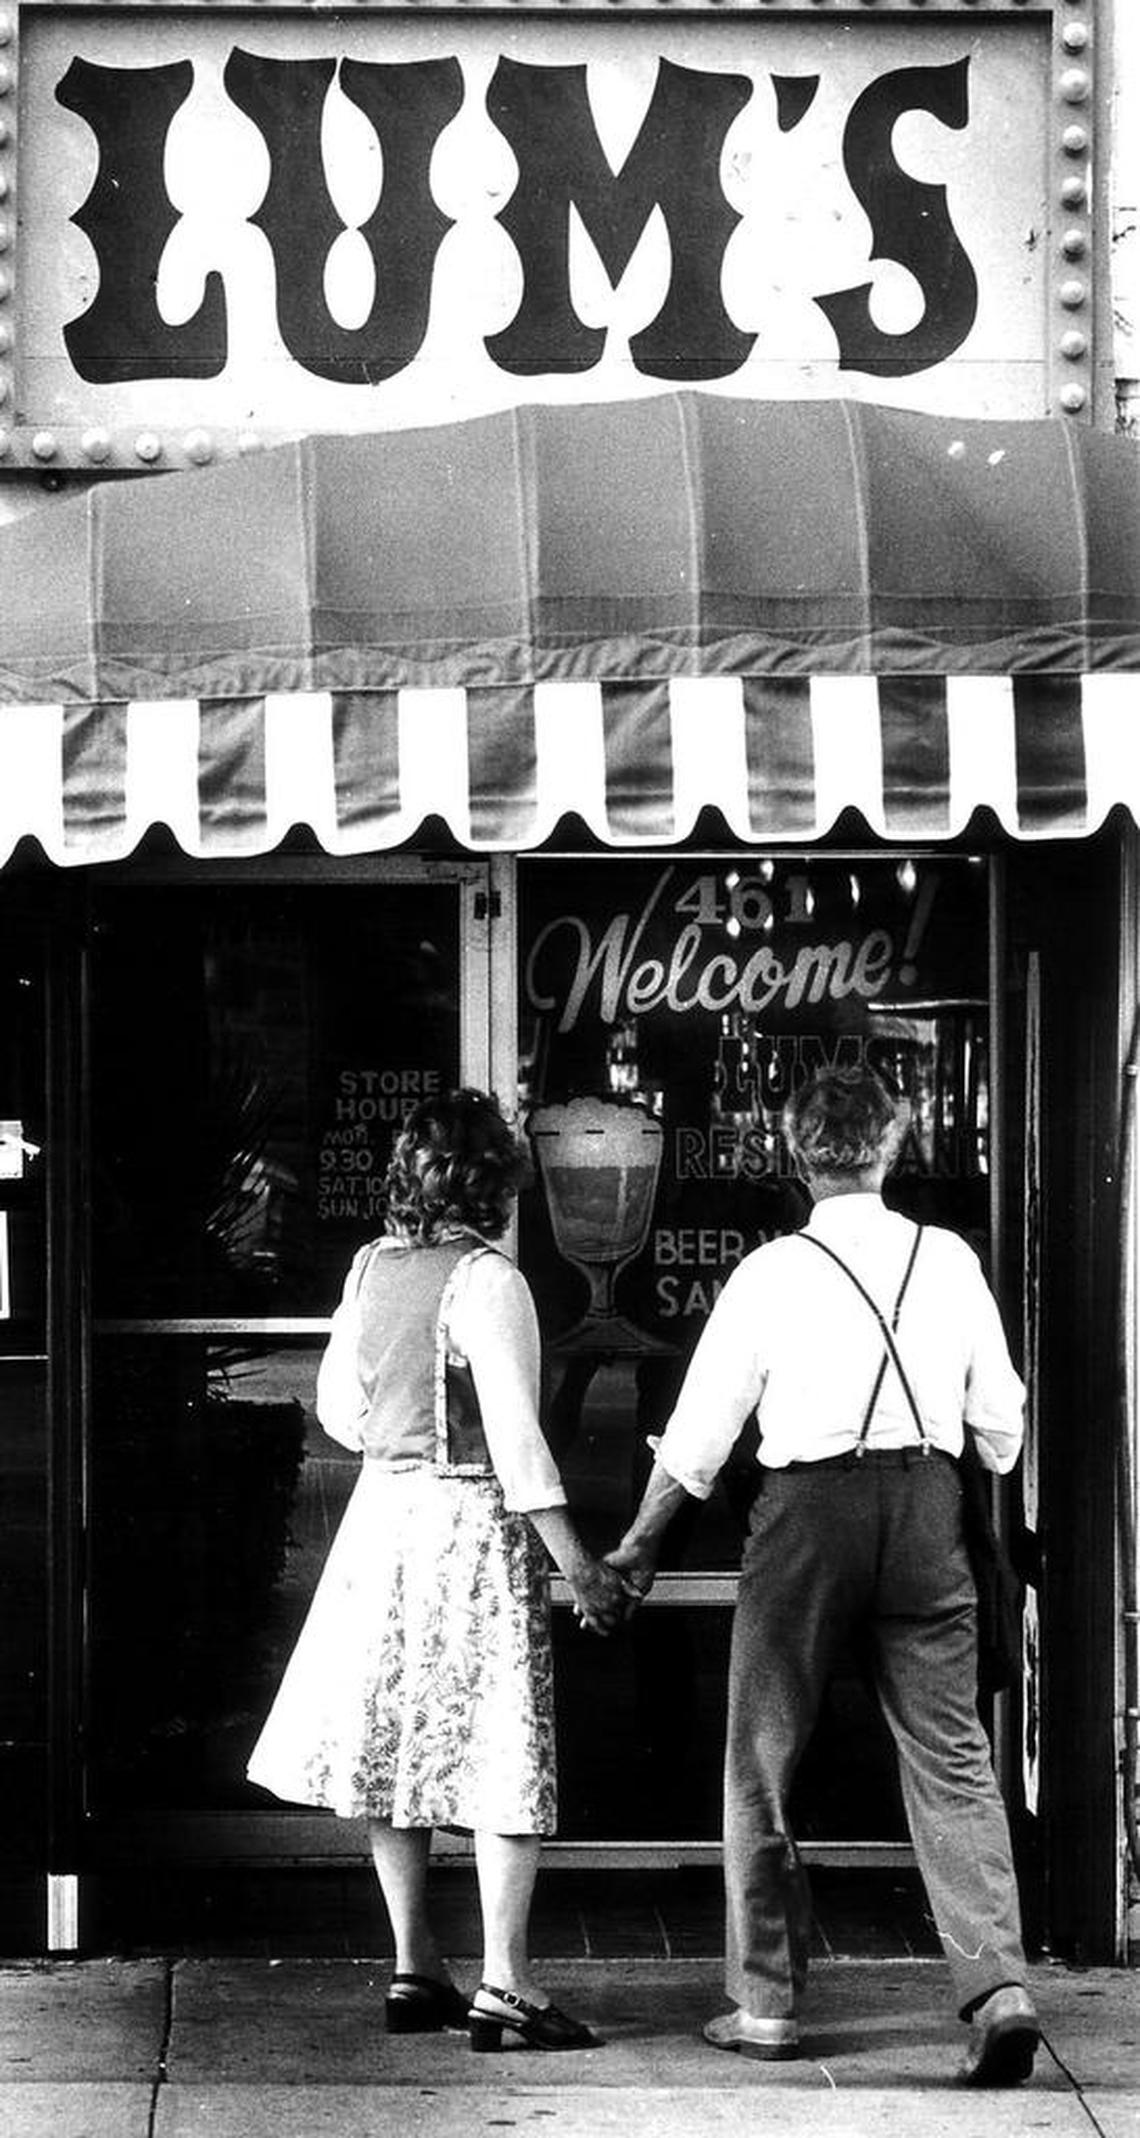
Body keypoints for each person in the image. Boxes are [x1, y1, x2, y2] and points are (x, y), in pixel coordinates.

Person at [606, 1064, 1039, 2087]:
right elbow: (1002, 1428)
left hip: (804, 1513)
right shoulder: (950, 1261)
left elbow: (701, 1438)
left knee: (763, 1755)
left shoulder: (771, 1272)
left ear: (795, 1155)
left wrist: (635, 1545)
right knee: (951, 1756)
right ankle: (998, 1987)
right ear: (892, 1146)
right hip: (927, 1507)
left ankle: (765, 2003)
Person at [247, 1088, 625, 2051]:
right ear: (496, 1182)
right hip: (467, 1526)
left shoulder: (373, 1266)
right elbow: (517, 1443)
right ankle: (506, 1981)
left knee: (397, 1747)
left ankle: (416, 1966)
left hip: (383, 1520)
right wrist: (578, 1565)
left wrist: (397, 1434)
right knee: (501, 1740)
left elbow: (339, 1406)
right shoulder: (490, 1280)